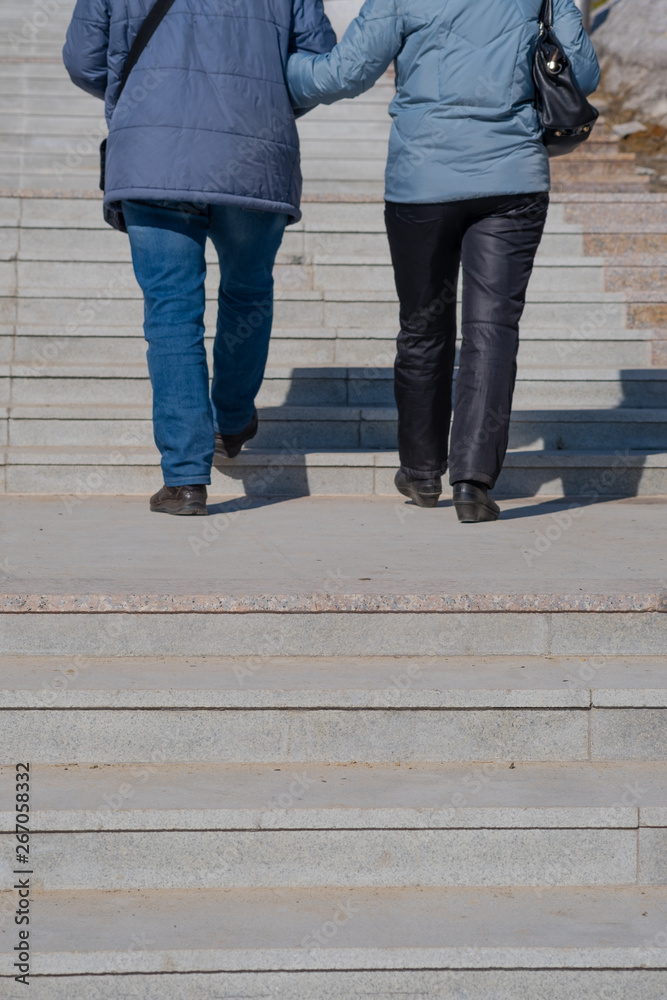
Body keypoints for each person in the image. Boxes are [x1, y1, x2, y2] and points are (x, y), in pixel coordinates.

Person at [287, 0, 600, 523]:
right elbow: (581, 73)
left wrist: (272, 70)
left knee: (422, 326)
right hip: (513, 182)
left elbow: (343, 73)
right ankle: (473, 484)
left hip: (422, 184)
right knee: (493, 329)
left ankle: (422, 471)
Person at [63, 0, 336, 516]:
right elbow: (319, 59)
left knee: (170, 310)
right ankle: (231, 419)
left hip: (154, 152)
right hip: (254, 154)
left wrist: (149, 101)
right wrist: (263, 101)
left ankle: (186, 481)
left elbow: (84, 60)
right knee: (248, 290)